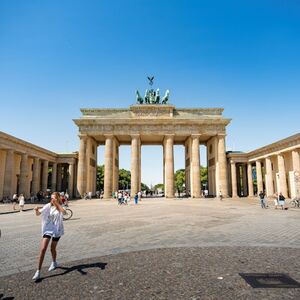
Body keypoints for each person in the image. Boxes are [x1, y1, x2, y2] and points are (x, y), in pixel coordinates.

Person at [32, 192, 66, 281]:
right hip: (48, 229)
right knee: (43, 249)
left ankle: (54, 262)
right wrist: (36, 210)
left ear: (58, 198)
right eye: (51, 198)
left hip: (57, 230)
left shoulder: (60, 206)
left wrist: (57, 204)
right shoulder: (48, 206)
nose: (52, 200)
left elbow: (64, 212)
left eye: (54, 198)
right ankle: (38, 271)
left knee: (52, 249)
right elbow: (38, 214)